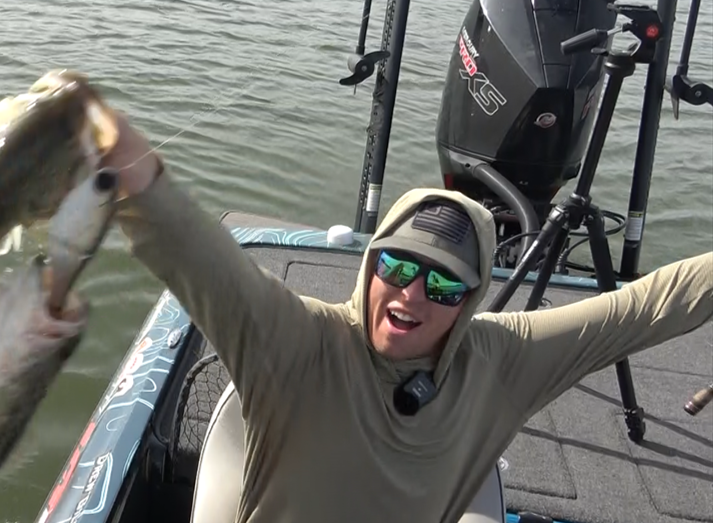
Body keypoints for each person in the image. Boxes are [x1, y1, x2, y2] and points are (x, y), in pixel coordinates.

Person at [98, 111, 713, 523]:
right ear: (370, 265)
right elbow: (203, 262)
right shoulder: (300, 342)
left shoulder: (501, 358)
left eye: (443, 284)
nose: (411, 295)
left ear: (470, 300)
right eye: (396, 266)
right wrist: (129, 171)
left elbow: (642, 308)